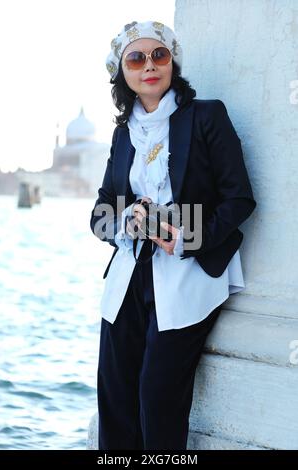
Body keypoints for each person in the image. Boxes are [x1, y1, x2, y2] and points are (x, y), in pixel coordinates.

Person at [90, 20, 257, 451]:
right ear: (121, 72)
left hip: (190, 272)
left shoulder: (206, 116)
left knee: (156, 395)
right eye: (136, 58)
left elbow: (239, 199)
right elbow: (100, 212)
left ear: (172, 62)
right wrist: (127, 218)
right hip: (129, 273)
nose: (150, 65)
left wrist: (185, 234)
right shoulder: (122, 133)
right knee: (114, 394)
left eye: (159, 55)